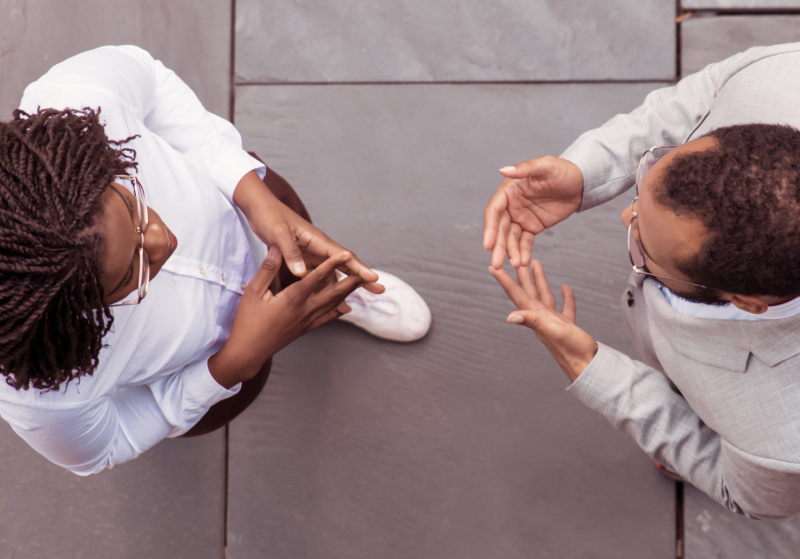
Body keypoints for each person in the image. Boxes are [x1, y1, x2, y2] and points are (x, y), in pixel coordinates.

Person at [0, 45, 431, 475]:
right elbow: (108, 443)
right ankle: (312, 305)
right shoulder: (39, 387)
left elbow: (150, 79)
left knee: (299, 230)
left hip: (245, 213)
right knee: (248, 384)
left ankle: (331, 292)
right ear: (68, 317)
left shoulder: (74, 100)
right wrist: (230, 366)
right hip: (214, 358)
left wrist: (250, 192)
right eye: (133, 274)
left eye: (133, 205)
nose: (162, 240)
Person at [483, 42, 800, 520]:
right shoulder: (778, 76)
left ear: (748, 302)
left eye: (643, 248)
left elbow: (734, 487)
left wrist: (588, 364)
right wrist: (585, 172)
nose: (625, 215)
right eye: (654, 172)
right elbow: (695, 102)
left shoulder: (780, 441)